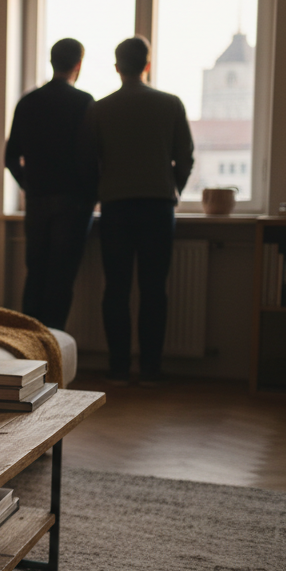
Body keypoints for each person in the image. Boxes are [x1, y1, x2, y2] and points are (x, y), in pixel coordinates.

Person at [88, 36, 194, 385]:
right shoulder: (170, 104)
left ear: (117, 67)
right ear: (147, 65)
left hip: (116, 207)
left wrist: (103, 190)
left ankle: (119, 367)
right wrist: (172, 188)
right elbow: (185, 157)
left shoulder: (100, 109)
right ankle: (150, 368)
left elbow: (89, 161)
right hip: (157, 207)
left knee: (115, 290)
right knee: (154, 289)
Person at [5, 38, 96, 330]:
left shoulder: (28, 102)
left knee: (35, 275)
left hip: (37, 201)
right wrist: (91, 194)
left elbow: (10, 157)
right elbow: (93, 155)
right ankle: (53, 345)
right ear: (78, 65)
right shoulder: (84, 103)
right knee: (61, 279)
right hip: (73, 203)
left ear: (51, 61)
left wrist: (29, 185)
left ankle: (30, 343)